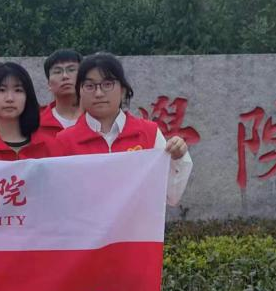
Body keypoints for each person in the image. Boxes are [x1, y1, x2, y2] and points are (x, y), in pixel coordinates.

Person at [54, 53, 192, 205]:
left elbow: (171, 196)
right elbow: (60, 198)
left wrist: (177, 158)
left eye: (107, 84)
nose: (98, 93)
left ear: (123, 90)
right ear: (79, 92)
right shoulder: (65, 141)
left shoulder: (149, 133)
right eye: (89, 86)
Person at [38, 49, 83, 137]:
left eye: (71, 70)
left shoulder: (97, 118)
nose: (65, 76)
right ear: (49, 84)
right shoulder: (36, 123)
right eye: (57, 72)